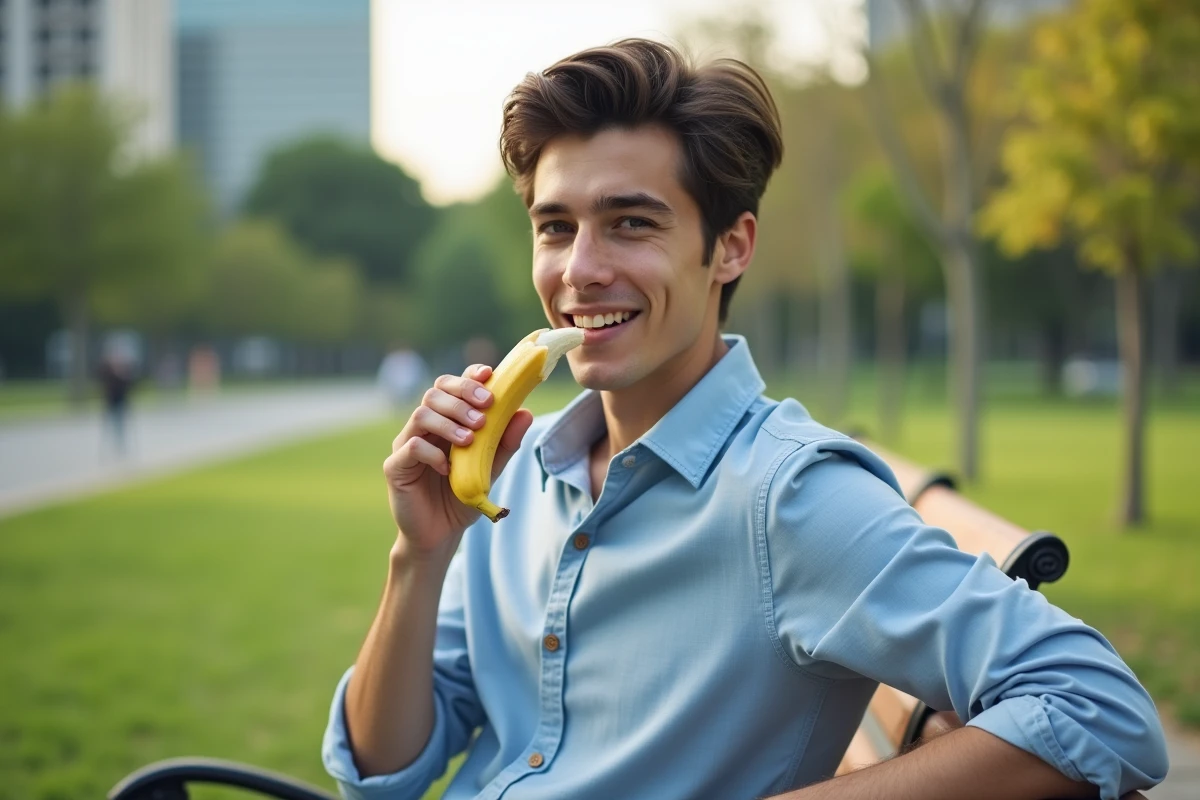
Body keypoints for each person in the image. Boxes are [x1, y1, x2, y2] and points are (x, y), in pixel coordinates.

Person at [322, 39, 1168, 800]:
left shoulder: (790, 499)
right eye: (556, 227)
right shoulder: (518, 468)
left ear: (731, 245)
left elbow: (1097, 705)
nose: (580, 270)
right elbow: (388, 772)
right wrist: (420, 556)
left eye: (630, 224)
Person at [97, 352, 136, 457]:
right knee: (107, 427)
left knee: (120, 427)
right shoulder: (109, 374)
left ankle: (121, 448)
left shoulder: (123, 375)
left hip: (120, 403)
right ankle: (105, 449)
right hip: (110, 403)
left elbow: (129, 386)